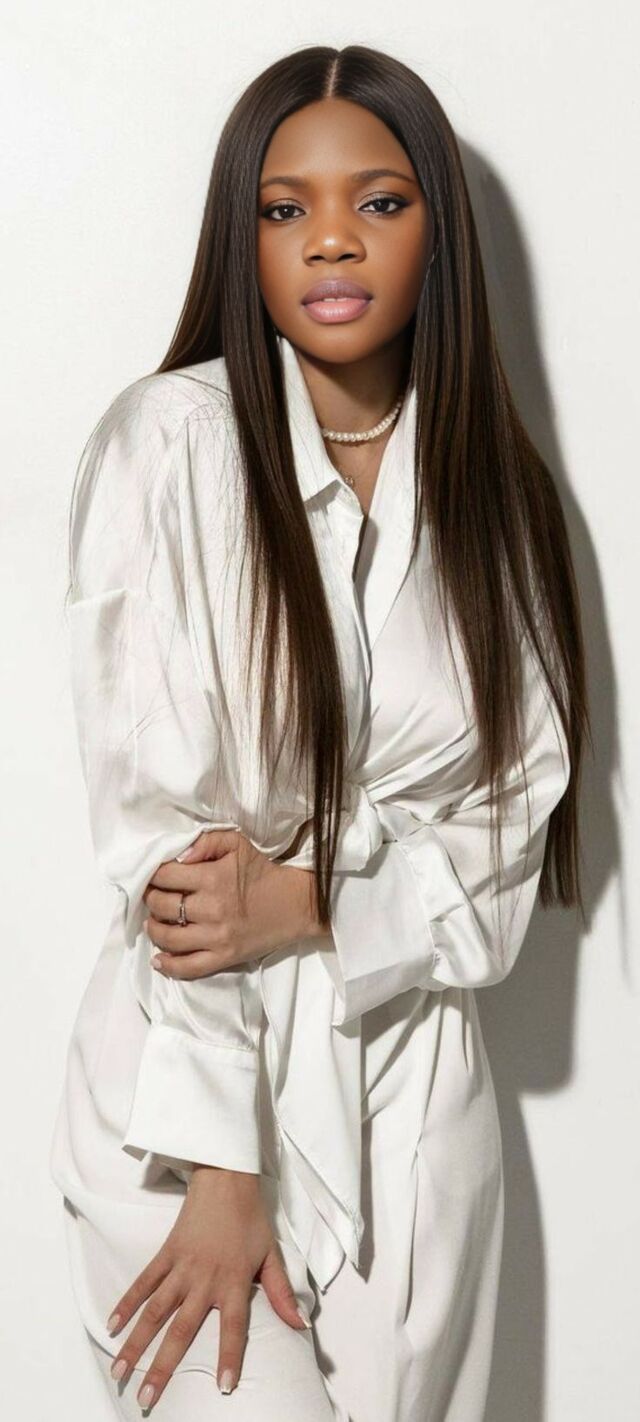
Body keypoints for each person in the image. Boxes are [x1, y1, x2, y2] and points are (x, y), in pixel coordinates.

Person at [50, 43, 588, 1422]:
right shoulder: (168, 447)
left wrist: (310, 901)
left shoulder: (501, 500)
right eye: (284, 208)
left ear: (437, 232)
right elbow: (169, 844)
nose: (331, 239)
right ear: (243, 238)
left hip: (416, 1099)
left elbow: (504, 848)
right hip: (185, 1103)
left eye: (381, 202)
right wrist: (222, 1169)